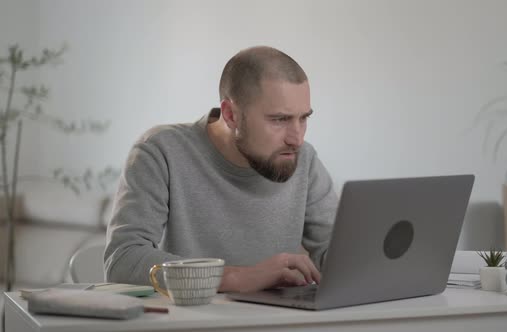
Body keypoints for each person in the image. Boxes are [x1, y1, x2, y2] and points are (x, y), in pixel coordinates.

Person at [104, 46, 338, 293]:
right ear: (231, 115)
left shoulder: (304, 159)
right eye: (279, 120)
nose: (297, 139)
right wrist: (237, 278)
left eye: (303, 118)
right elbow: (123, 261)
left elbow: (338, 256)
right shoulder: (161, 152)